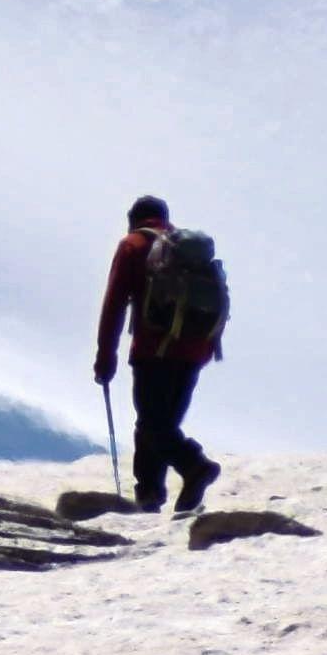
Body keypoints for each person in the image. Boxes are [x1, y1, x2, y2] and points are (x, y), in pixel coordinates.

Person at [88, 200, 228, 516]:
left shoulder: (133, 245)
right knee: (161, 422)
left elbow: (114, 304)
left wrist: (105, 356)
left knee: (152, 423)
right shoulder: (188, 249)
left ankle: (194, 466)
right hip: (195, 350)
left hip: (154, 349)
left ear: (132, 220)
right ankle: (150, 493)